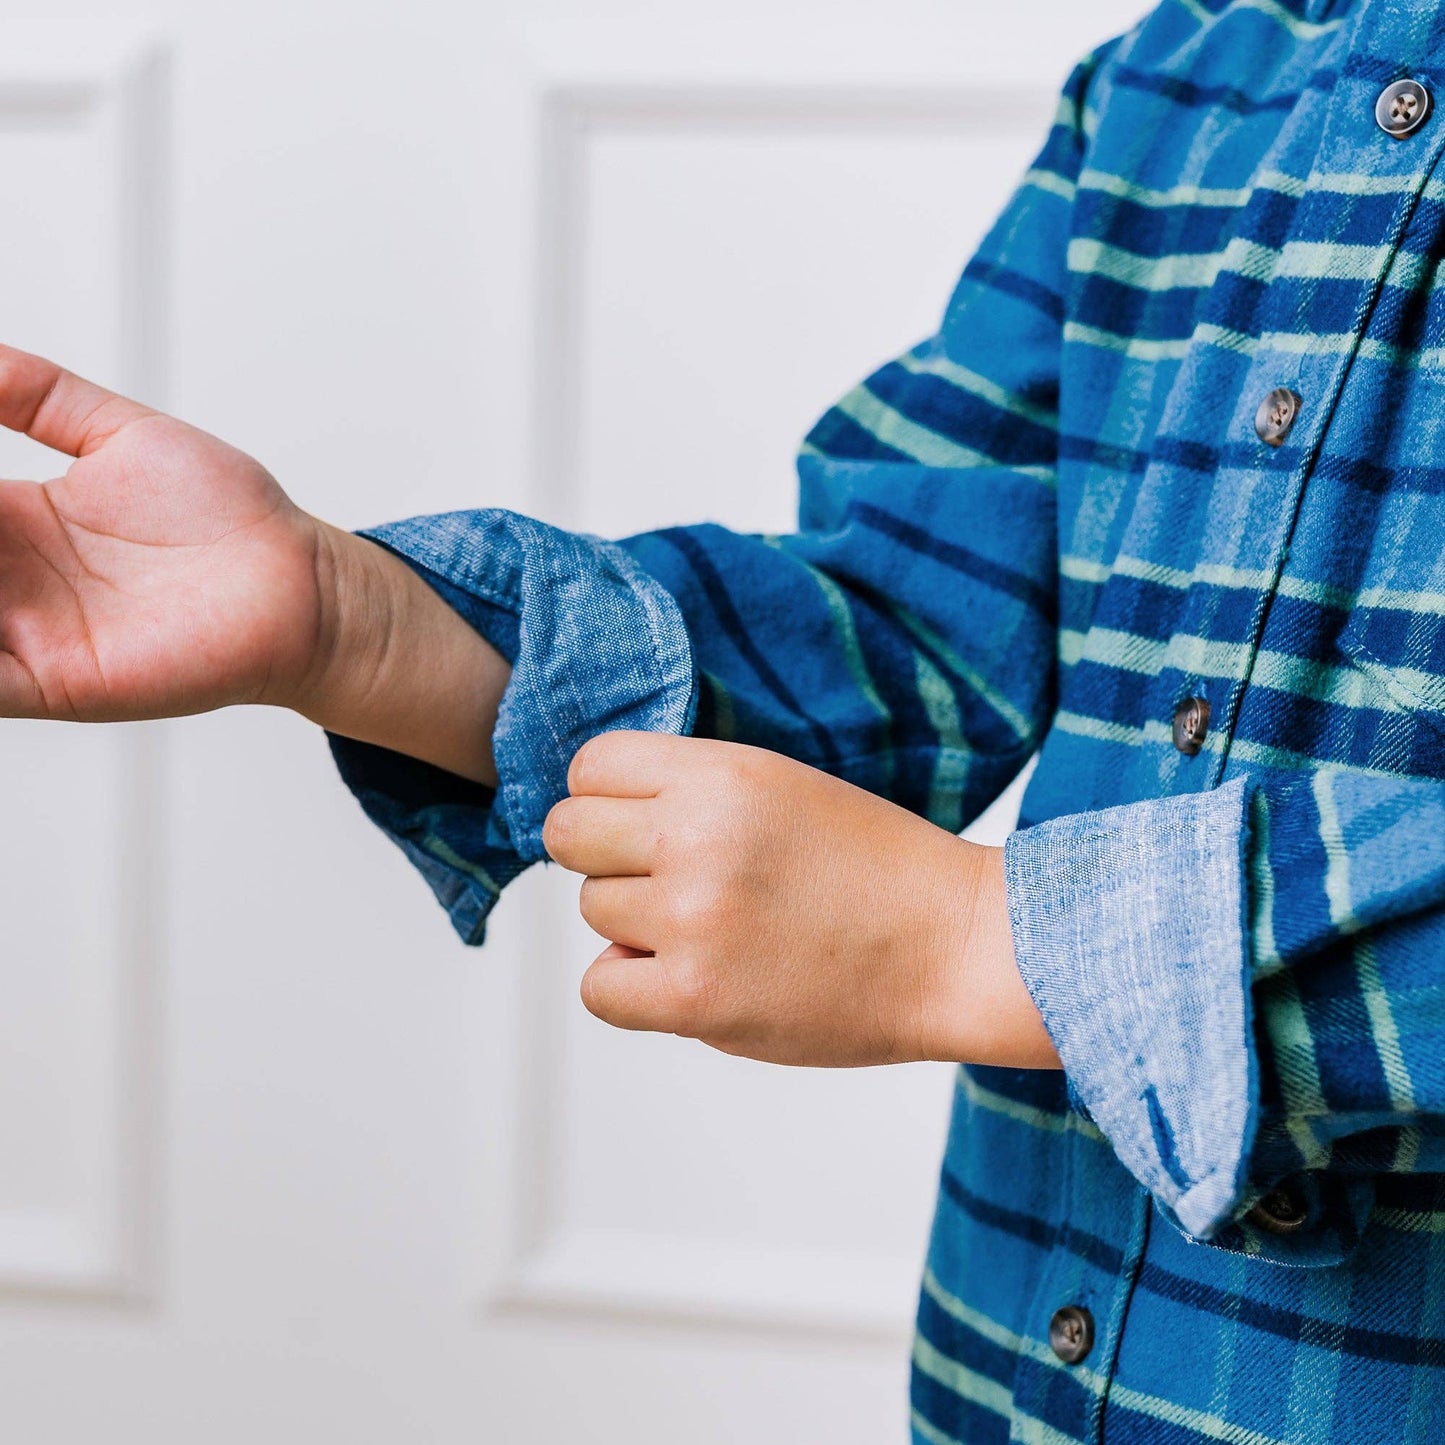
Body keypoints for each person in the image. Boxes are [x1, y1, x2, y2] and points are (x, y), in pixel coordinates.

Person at [2, 0, 1444, 1438]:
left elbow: (963, 912)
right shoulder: (1180, 73)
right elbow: (908, 623)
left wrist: (982, 941)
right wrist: (348, 618)